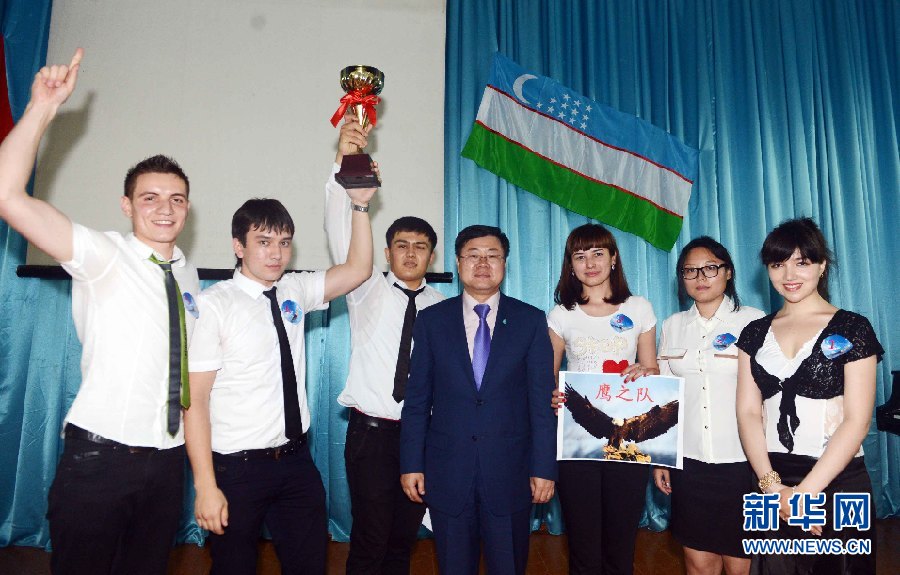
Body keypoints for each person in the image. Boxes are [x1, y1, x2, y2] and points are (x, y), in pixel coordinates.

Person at [0, 49, 199, 575]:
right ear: (126, 205)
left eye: (177, 199)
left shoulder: (187, 274)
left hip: (167, 463)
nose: (164, 208)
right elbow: (6, 195)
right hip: (100, 461)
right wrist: (42, 108)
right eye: (149, 197)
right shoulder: (103, 253)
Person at [185, 192, 376, 575]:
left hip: (295, 463)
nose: (276, 253)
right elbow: (196, 400)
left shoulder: (294, 289)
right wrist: (205, 485)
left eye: (284, 243)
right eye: (264, 242)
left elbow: (358, 269)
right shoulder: (214, 305)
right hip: (236, 469)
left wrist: (359, 205)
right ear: (238, 246)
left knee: (309, 564)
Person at [399, 225, 557, 575]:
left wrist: (544, 467)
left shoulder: (530, 320)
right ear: (458, 263)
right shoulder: (432, 321)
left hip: (511, 473)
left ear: (505, 264)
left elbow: (541, 403)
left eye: (492, 256)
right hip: (447, 472)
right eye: (473, 255)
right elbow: (417, 400)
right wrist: (411, 463)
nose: (483, 263)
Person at [325, 116, 444, 573]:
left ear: (431, 256)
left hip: (422, 437)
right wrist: (345, 160)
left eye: (420, 246)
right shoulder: (365, 288)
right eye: (401, 245)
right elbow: (339, 228)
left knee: (402, 541)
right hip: (372, 437)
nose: (410, 253)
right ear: (388, 251)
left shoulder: (445, 309)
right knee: (370, 540)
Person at [735, 217, 880, 574]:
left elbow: (857, 421)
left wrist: (804, 496)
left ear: (822, 265)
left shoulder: (853, 328)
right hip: (772, 479)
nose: (789, 274)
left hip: (837, 479)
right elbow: (748, 413)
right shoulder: (754, 333)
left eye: (801, 262)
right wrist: (774, 490)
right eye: (778, 264)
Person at [549, 223, 658, 575]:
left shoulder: (638, 308)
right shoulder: (562, 314)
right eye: (580, 256)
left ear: (613, 258)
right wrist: (553, 395)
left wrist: (645, 372)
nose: (590, 263)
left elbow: (652, 369)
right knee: (582, 539)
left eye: (598, 253)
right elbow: (548, 376)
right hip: (578, 438)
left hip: (628, 436)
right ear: (571, 265)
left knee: (621, 537)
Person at [652, 237, 765, 575]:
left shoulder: (754, 321)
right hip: (690, 463)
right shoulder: (673, 325)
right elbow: (665, 397)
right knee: (698, 563)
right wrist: (662, 457)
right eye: (690, 271)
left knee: (741, 563)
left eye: (710, 268)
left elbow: (770, 396)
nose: (700, 277)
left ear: (728, 272)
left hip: (743, 462)